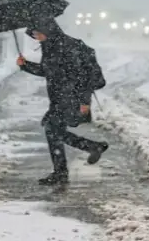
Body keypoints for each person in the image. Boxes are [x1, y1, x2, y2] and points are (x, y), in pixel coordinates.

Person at [17, 18, 109, 186]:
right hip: (59, 97)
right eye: (34, 34)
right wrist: (25, 66)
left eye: (37, 33)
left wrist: (84, 101)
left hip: (71, 96)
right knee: (54, 131)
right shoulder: (51, 46)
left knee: (52, 129)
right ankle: (78, 157)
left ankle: (66, 167)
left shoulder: (67, 47)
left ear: (47, 30)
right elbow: (49, 71)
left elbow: (82, 77)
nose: (36, 37)